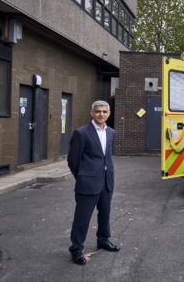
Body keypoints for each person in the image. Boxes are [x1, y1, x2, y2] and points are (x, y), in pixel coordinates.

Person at [67, 100, 119, 265]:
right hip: (87, 183)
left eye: (104, 112)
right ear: (92, 113)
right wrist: (83, 176)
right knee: (82, 219)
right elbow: (73, 160)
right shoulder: (81, 133)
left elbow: (107, 156)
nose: (101, 114)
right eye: (98, 111)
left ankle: (103, 239)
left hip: (106, 182)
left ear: (109, 114)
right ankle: (76, 249)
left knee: (105, 215)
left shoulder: (111, 132)